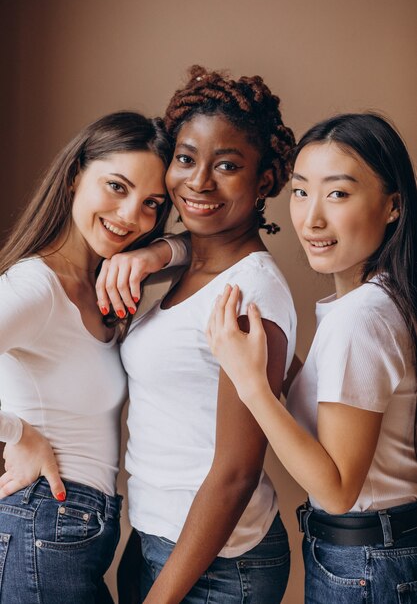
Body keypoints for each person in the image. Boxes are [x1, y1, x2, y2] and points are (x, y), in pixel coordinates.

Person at [207, 113, 417, 603]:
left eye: (338, 193)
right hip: (380, 554)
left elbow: (339, 490)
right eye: (301, 191)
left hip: (365, 564)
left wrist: (251, 384)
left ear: (393, 206)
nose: (311, 218)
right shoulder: (380, 301)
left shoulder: (361, 318)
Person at [107, 65, 297, 604]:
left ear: (264, 180)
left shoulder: (248, 294)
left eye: (228, 165)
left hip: (217, 566)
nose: (198, 182)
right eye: (186, 159)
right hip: (155, 538)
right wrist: (159, 250)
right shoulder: (196, 264)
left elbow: (237, 473)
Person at [0, 110, 179, 604]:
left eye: (151, 204)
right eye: (117, 187)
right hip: (42, 520)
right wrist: (19, 434)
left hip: (78, 529)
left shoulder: (106, 284)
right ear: (77, 174)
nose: (130, 216)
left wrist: (152, 254)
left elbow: (207, 247)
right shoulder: (34, 286)